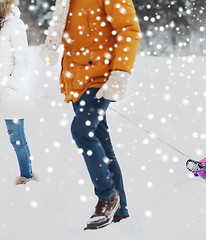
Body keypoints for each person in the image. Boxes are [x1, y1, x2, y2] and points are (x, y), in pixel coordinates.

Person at [39, 0, 141, 230]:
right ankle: (121, 211)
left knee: (82, 130)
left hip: (102, 78)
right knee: (102, 143)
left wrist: (120, 73)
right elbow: (69, 35)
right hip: (77, 81)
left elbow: (129, 31)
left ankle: (107, 197)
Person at [0, 0, 37, 185]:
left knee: (16, 139)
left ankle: (27, 177)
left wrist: (11, 89)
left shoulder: (14, 24)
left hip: (10, 92)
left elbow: (23, 61)